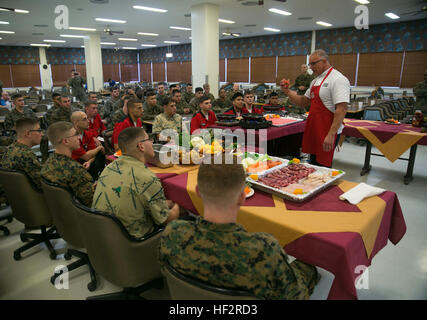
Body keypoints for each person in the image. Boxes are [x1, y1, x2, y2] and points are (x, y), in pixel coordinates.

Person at [159, 160, 319, 300]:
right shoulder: (263, 250)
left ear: (198, 192)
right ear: (243, 197)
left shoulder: (173, 233)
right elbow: (296, 296)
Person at [92, 127, 180, 238]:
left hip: (105, 239)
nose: (152, 143)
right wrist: (179, 204)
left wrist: (168, 203)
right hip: (134, 244)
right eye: (149, 140)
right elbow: (167, 220)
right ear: (141, 146)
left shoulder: (110, 167)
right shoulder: (146, 178)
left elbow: (142, 201)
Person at [280, 49, 350, 167]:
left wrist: (331, 134)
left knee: (323, 167)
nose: (310, 67)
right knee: (313, 165)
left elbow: (341, 109)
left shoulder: (338, 79)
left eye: (313, 63)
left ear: (324, 61)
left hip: (327, 131)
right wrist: (287, 91)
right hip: (315, 129)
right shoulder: (315, 81)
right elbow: (303, 101)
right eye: (309, 64)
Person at [41, 121, 94, 207]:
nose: (78, 138)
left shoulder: (48, 164)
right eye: (75, 135)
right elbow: (92, 200)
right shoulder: (76, 170)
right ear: (66, 141)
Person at [0, 118, 44, 206]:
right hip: (29, 201)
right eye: (39, 130)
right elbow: (42, 184)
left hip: (14, 195)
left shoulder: (10, 148)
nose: (42, 134)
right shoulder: (26, 155)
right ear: (28, 133)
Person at [70, 111, 105, 180]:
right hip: (73, 165)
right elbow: (86, 156)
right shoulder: (71, 137)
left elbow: (92, 154)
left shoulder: (88, 134)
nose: (88, 121)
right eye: (84, 119)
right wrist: (99, 147)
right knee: (99, 150)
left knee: (100, 155)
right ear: (76, 123)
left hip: (85, 162)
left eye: (87, 118)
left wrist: (89, 162)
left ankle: (100, 177)